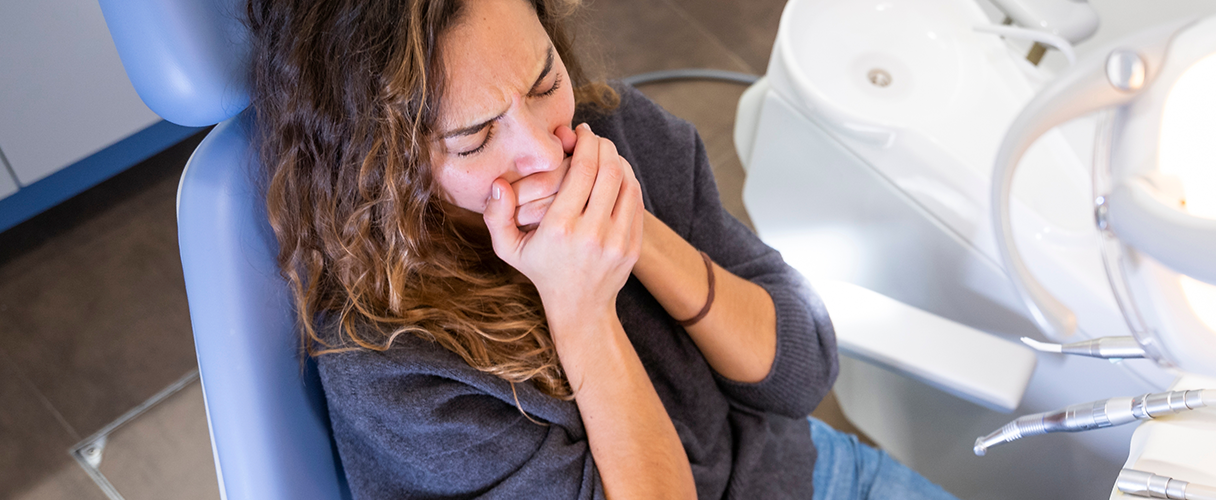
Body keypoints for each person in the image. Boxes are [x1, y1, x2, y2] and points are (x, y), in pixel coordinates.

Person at [245, 0, 959, 498]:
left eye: (544, 82)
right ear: (380, 163)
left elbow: (802, 372)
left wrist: (635, 228)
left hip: (814, 479)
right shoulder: (388, 363)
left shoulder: (613, 130)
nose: (542, 152)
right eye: (475, 137)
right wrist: (581, 308)